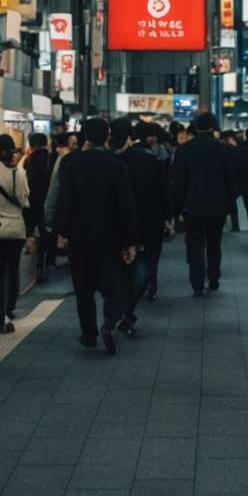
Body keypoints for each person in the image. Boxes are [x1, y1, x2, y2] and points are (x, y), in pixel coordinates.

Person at [55, 118, 139, 354]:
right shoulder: (117, 165)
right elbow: (126, 206)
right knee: (111, 286)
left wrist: (61, 232)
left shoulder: (72, 164)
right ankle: (109, 325)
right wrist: (129, 241)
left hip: (79, 236)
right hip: (110, 235)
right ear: (107, 136)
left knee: (83, 289)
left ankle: (89, 334)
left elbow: (66, 202)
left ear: (85, 137)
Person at [110, 116, 167, 333]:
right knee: (144, 264)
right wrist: (167, 215)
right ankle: (127, 307)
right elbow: (162, 190)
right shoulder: (148, 159)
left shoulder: (110, 160)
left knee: (120, 268)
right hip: (147, 220)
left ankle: (120, 309)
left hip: (115, 222)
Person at [170, 111, 234, 294]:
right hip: (218, 207)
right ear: (213, 127)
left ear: (196, 127)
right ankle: (213, 277)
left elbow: (177, 180)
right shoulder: (224, 149)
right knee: (214, 244)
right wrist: (229, 203)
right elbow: (231, 180)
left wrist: (179, 207)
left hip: (192, 206)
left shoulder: (184, 149)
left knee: (195, 245)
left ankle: (197, 284)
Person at [0, 134, 31, 333]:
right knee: (13, 271)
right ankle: (10, 307)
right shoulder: (18, 174)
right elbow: (25, 199)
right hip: (16, 231)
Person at [135, 122, 172, 304]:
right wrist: (168, 216)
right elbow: (163, 189)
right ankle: (152, 286)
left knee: (136, 253)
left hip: (133, 214)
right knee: (153, 254)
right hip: (153, 214)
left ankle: (136, 287)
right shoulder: (155, 159)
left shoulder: (124, 157)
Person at [24, 132, 56, 284]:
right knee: (46, 231)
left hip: (34, 200)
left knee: (35, 232)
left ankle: (38, 264)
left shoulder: (30, 159)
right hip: (48, 199)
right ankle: (48, 260)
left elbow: (28, 182)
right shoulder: (52, 157)